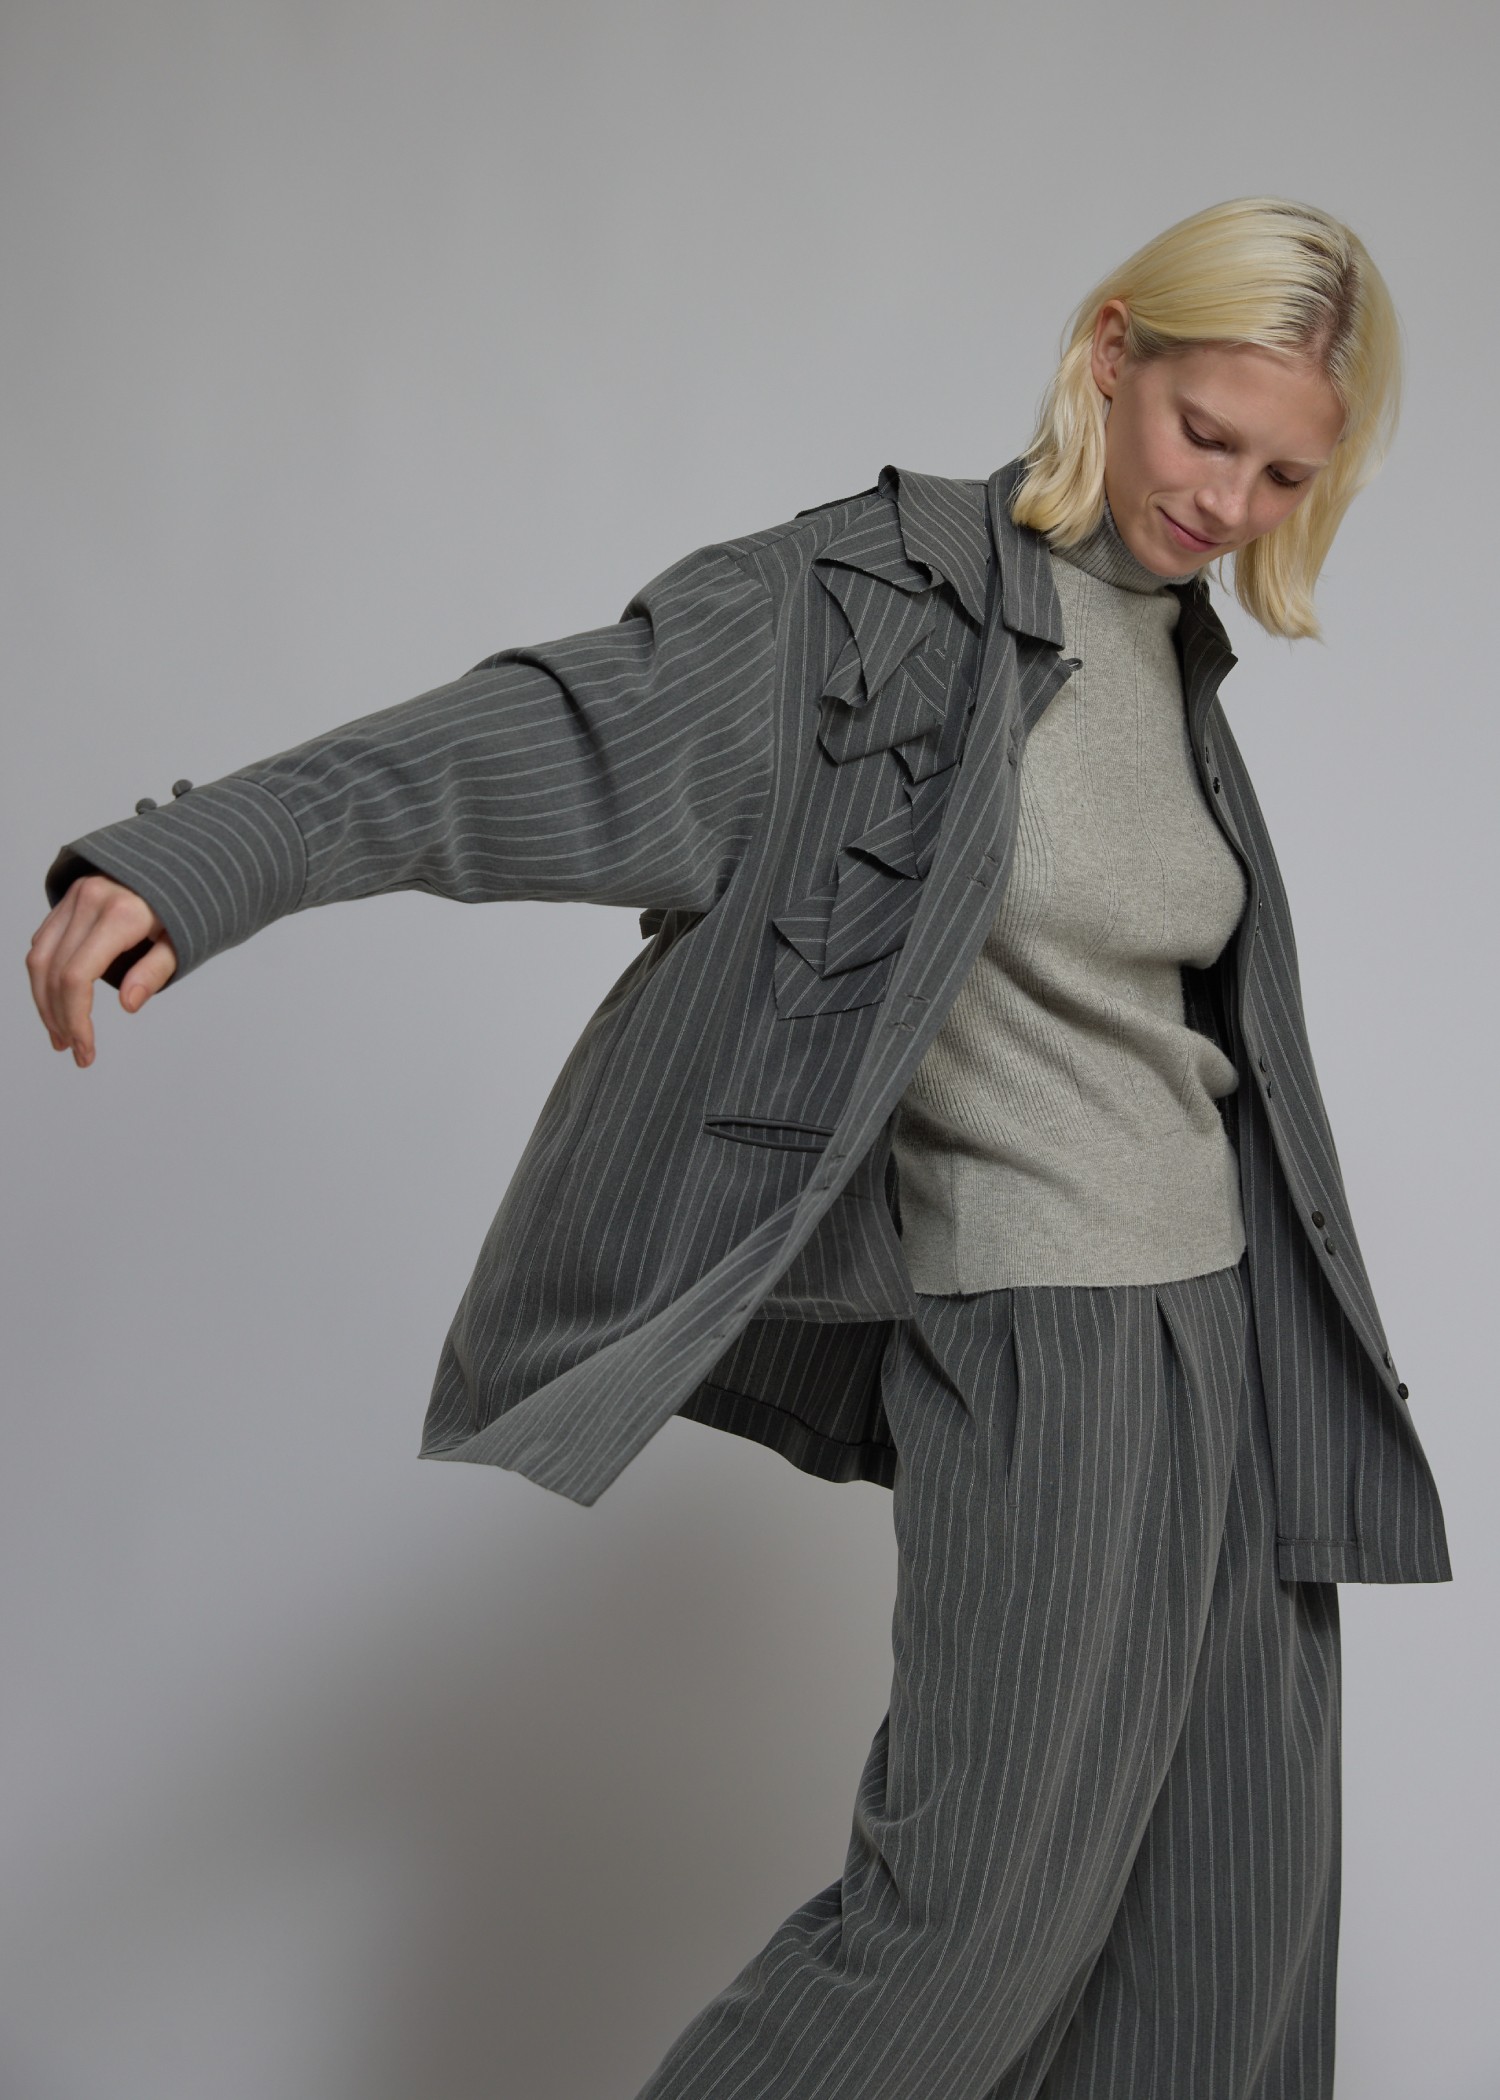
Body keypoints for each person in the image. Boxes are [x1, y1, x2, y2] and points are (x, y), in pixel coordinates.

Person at [28, 196, 1451, 2098]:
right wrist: (206, 857)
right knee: (971, 1931)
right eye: (1209, 434)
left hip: (1242, 1335)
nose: (1230, 502)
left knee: (1226, 1924)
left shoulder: (1172, 652)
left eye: (1284, 475)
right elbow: (542, 733)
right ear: (1111, 352)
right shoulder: (866, 605)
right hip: (1043, 1325)